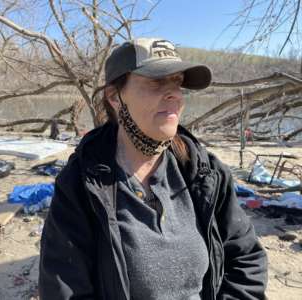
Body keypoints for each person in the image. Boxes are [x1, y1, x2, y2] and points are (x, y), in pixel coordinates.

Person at [38, 38, 268, 300]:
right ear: (115, 97)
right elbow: (64, 290)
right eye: (157, 82)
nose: (175, 94)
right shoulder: (81, 185)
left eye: (178, 82)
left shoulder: (206, 174)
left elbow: (246, 259)